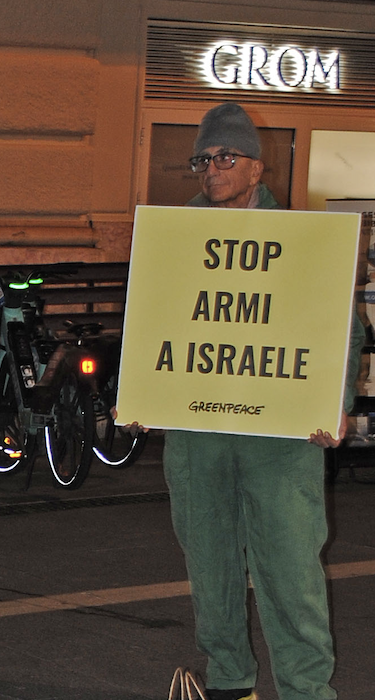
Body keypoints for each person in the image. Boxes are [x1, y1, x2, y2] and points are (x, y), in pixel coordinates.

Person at [165, 102, 362, 700]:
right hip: (198, 433)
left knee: (290, 568)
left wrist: (336, 401)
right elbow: (155, 324)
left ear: (257, 169)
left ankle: (306, 690)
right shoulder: (174, 240)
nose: (213, 168)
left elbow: (340, 328)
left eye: (227, 157)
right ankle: (230, 681)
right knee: (211, 565)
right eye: (204, 158)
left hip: (281, 433)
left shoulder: (302, 241)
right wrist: (141, 394)